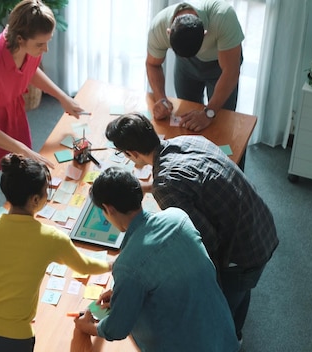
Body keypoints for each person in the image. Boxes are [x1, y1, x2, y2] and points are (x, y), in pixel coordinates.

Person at [105, 113, 279, 346]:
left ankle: (230, 338)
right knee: (242, 292)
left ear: (132, 154)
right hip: (261, 225)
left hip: (241, 254)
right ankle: (236, 332)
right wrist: (146, 187)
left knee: (223, 306)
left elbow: (204, 242)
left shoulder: (166, 185)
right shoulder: (188, 141)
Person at [0, 153, 111, 352]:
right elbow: (84, 266)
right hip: (13, 337)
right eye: (47, 192)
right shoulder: (51, 237)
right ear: (35, 199)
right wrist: (111, 264)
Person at [72, 167, 239, 352]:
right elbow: (170, 271)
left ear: (109, 209)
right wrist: (125, 293)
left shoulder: (127, 267)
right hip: (221, 333)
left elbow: (117, 329)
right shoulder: (178, 217)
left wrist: (87, 327)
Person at [0, 0, 84, 225]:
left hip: (8, 114)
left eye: (47, 42)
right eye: (41, 44)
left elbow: (30, 72)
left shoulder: (29, 47)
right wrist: (24, 150)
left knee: (17, 177)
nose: (45, 49)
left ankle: (16, 225)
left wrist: (63, 97)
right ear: (21, 39)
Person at [146, 1, 244, 132]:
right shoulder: (158, 27)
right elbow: (152, 64)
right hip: (185, 68)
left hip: (222, 66)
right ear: (168, 32)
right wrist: (161, 99)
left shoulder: (223, 17)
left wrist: (209, 113)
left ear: (205, 34)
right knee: (187, 119)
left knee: (221, 120)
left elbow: (231, 71)